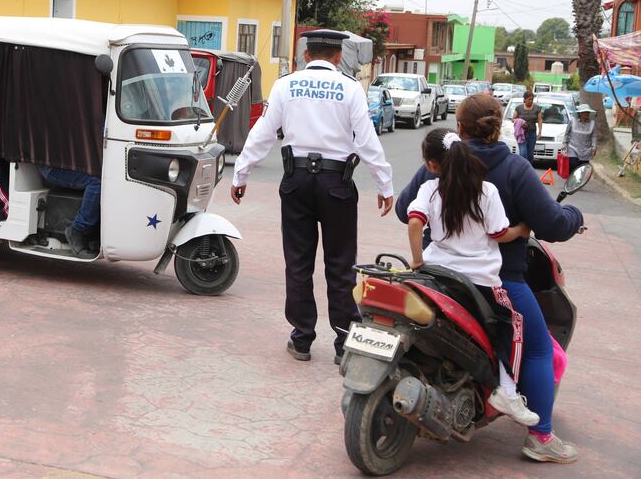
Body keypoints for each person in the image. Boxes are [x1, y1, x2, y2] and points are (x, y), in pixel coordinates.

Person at [396, 94, 584, 463]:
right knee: (537, 348)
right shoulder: (514, 170)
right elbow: (549, 224)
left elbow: (406, 211)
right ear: (499, 125)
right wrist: (573, 216)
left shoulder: (438, 165)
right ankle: (541, 438)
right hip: (496, 280)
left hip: (434, 275)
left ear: (459, 126)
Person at [231, 30, 394, 365]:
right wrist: (385, 184)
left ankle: (302, 338)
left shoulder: (285, 85)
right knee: (340, 265)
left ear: (306, 55)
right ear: (338, 57)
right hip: (337, 184)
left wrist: (241, 173)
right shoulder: (350, 88)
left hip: (296, 181)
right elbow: (366, 140)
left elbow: (263, 132)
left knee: (298, 263)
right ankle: (344, 342)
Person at [406, 128, 539, 426]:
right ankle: (506, 391)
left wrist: (417, 260)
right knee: (513, 325)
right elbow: (499, 234)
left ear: (431, 165)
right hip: (479, 281)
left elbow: (415, 224)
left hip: (436, 274)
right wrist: (522, 230)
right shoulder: (486, 191)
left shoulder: (430, 189)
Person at [37, 165, 101, 256]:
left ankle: (93, 236)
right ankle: (77, 229)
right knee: (96, 182)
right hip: (52, 167)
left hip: (71, 166)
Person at [563, 104, 597, 172]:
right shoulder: (572, 121)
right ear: (580, 113)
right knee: (573, 164)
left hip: (586, 150)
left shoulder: (592, 123)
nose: (587, 114)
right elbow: (567, 133)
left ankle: (579, 182)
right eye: (585, 112)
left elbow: (594, 136)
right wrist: (564, 145)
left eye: (588, 112)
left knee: (582, 169)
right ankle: (571, 181)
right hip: (573, 148)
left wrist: (594, 147)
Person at [513, 91, 543, 166]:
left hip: (532, 134)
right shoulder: (519, 108)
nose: (531, 101)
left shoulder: (537, 108)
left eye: (532, 99)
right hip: (521, 134)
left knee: (530, 154)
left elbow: (540, 120)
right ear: (525, 99)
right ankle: (522, 170)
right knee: (523, 153)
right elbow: (513, 119)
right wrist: (520, 122)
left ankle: (529, 171)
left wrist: (539, 132)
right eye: (529, 99)